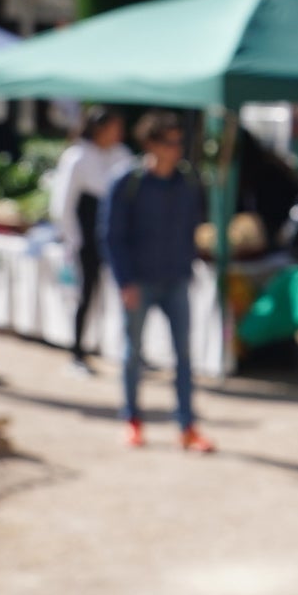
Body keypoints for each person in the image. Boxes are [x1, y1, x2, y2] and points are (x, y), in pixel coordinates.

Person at [101, 117, 214, 452]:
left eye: (179, 142)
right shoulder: (128, 182)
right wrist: (125, 281)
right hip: (140, 281)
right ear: (150, 144)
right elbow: (111, 236)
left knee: (183, 355)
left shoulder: (188, 182)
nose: (175, 149)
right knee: (133, 353)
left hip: (176, 278)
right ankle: (132, 418)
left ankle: (186, 425)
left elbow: (195, 226)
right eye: (168, 142)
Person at [47, 111, 132, 373]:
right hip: (88, 239)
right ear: (99, 129)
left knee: (126, 293)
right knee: (87, 294)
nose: (118, 133)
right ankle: (78, 350)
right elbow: (63, 204)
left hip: (117, 238)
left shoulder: (123, 155)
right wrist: (74, 239)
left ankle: (126, 348)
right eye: (114, 127)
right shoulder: (77, 157)